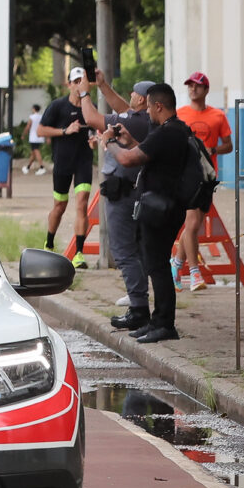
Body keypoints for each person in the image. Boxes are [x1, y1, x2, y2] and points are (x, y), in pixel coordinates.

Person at [110, 83, 193, 343]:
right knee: (154, 264)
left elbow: (127, 159)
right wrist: (129, 141)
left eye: (148, 107)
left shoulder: (166, 132)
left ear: (159, 105)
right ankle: (157, 321)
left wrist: (110, 142)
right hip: (168, 206)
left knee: (157, 267)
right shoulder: (177, 130)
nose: (146, 112)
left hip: (161, 208)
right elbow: (147, 153)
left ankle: (165, 324)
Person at [79, 72, 155, 331]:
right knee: (138, 249)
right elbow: (123, 108)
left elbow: (91, 118)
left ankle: (138, 307)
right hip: (137, 191)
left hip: (122, 192)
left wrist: (83, 92)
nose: (130, 96)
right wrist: (102, 84)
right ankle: (139, 299)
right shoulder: (146, 120)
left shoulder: (134, 122)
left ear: (143, 100)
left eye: (134, 93)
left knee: (123, 251)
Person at [174, 71, 233, 292]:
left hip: (207, 177)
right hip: (186, 176)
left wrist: (214, 149)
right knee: (192, 223)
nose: (193, 89)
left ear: (206, 90)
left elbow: (229, 145)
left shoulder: (217, 116)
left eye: (197, 86)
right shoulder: (180, 115)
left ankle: (177, 263)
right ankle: (194, 272)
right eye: (190, 85)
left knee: (194, 226)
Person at [36, 67, 95, 267]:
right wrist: (65, 130)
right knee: (60, 206)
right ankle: (49, 244)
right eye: (75, 81)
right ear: (68, 84)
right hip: (63, 162)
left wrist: (95, 139)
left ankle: (79, 253)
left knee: (82, 203)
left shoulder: (90, 107)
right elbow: (40, 130)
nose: (79, 85)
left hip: (83, 162)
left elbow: (96, 129)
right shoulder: (57, 106)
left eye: (82, 81)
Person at [24, 103, 46, 175]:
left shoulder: (32, 117)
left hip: (33, 137)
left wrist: (24, 134)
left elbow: (28, 126)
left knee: (36, 151)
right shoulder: (41, 116)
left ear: (34, 109)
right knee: (33, 153)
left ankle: (42, 167)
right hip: (40, 136)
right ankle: (27, 167)